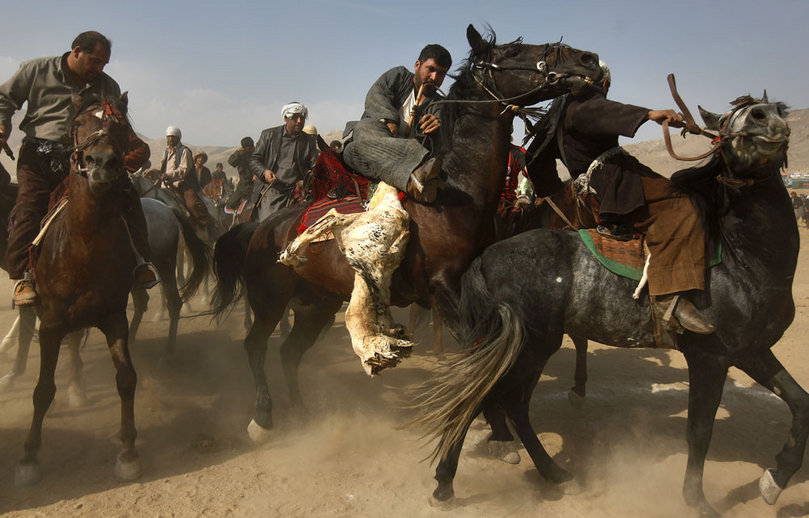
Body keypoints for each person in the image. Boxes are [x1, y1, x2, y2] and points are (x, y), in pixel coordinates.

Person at [526, 62, 714, 334]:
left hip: (601, 180)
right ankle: (669, 297)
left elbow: (536, 161)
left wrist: (553, 192)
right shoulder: (584, 105)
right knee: (680, 206)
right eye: (607, 87)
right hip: (613, 179)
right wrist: (648, 114)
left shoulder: (560, 112)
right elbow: (601, 111)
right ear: (603, 84)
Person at [0, 31, 156, 306]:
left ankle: (140, 262)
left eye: (104, 64)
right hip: (39, 156)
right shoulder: (36, 70)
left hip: (84, 159)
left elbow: (115, 123)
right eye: (95, 61)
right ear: (75, 52)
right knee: (28, 207)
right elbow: (4, 99)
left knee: (128, 197)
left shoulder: (107, 86)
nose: (99, 68)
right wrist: (2, 124)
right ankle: (23, 276)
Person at [342, 44, 451, 203]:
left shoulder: (440, 105)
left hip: (411, 149)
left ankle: (413, 179)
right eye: (431, 69)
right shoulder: (398, 76)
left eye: (441, 74)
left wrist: (437, 127)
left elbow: (441, 141)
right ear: (417, 65)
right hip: (378, 143)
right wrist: (389, 119)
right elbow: (376, 95)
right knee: (360, 135)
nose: (434, 78)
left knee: (354, 150)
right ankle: (412, 177)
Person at [248, 102, 320, 221]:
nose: (299, 121)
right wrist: (264, 172)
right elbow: (254, 159)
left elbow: (314, 164)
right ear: (286, 118)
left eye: (302, 117)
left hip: (298, 192)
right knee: (268, 227)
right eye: (295, 117)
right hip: (273, 191)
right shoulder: (269, 135)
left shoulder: (308, 140)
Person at [160, 126, 212, 235]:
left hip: (183, 184)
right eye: (168, 137)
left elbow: (183, 170)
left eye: (172, 137)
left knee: (192, 204)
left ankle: (204, 225)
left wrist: (168, 175)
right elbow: (163, 167)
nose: (170, 139)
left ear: (178, 138)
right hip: (166, 184)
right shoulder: (165, 152)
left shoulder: (184, 151)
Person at [226, 136, 255, 210]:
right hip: (244, 185)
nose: (250, 149)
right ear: (244, 148)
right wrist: (237, 152)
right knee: (230, 203)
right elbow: (231, 162)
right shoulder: (241, 154)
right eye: (248, 148)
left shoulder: (257, 153)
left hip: (257, 184)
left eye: (251, 147)